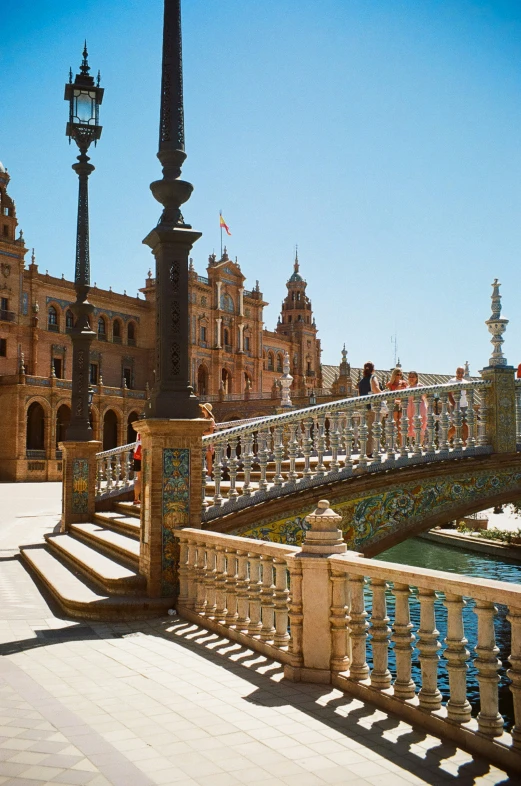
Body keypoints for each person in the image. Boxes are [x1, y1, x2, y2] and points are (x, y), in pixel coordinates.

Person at [357, 361, 381, 457]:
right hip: (372, 407)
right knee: (372, 430)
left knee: (365, 430)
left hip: (364, 408)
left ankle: (365, 450)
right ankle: (369, 451)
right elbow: (375, 389)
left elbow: (359, 395)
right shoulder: (373, 378)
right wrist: (383, 394)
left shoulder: (361, 381)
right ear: (373, 370)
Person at [448, 366, 469, 444]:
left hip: (465, 406)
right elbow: (449, 394)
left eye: (462, 373)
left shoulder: (466, 382)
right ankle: (446, 439)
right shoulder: (451, 381)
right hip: (455, 407)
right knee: (456, 426)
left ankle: (465, 444)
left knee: (466, 425)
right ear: (456, 372)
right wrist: (454, 404)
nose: (460, 374)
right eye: (458, 372)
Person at [386, 367, 407, 443]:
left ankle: (402, 444)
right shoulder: (390, 384)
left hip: (402, 404)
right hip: (394, 404)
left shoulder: (404, 383)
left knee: (401, 424)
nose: (399, 376)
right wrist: (396, 389)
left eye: (400, 374)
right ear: (394, 375)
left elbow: (406, 393)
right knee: (393, 423)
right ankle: (393, 443)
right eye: (397, 374)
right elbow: (388, 395)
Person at [406, 371, 427, 443]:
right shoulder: (407, 388)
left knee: (420, 427)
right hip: (410, 409)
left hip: (419, 408)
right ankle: (414, 446)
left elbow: (426, 396)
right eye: (410, 377)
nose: (411, 378)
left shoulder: (420, 386)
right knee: (411, 427)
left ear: (416, 378)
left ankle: (419, 445)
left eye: (413, 377)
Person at [200, 402, 216, 475]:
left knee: (209, 458)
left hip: (209, 441)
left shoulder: (211, 419)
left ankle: (209, 475)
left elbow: (211, 432)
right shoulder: (204, 419)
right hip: (203, 440)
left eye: (203, 408)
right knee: (203, 458)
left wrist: (202, 433)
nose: (202, 409)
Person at [133, 432, 142, 505]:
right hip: (144, 451)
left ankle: (136, 498)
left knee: (139, 478)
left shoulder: (139, 429)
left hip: (137, 453)